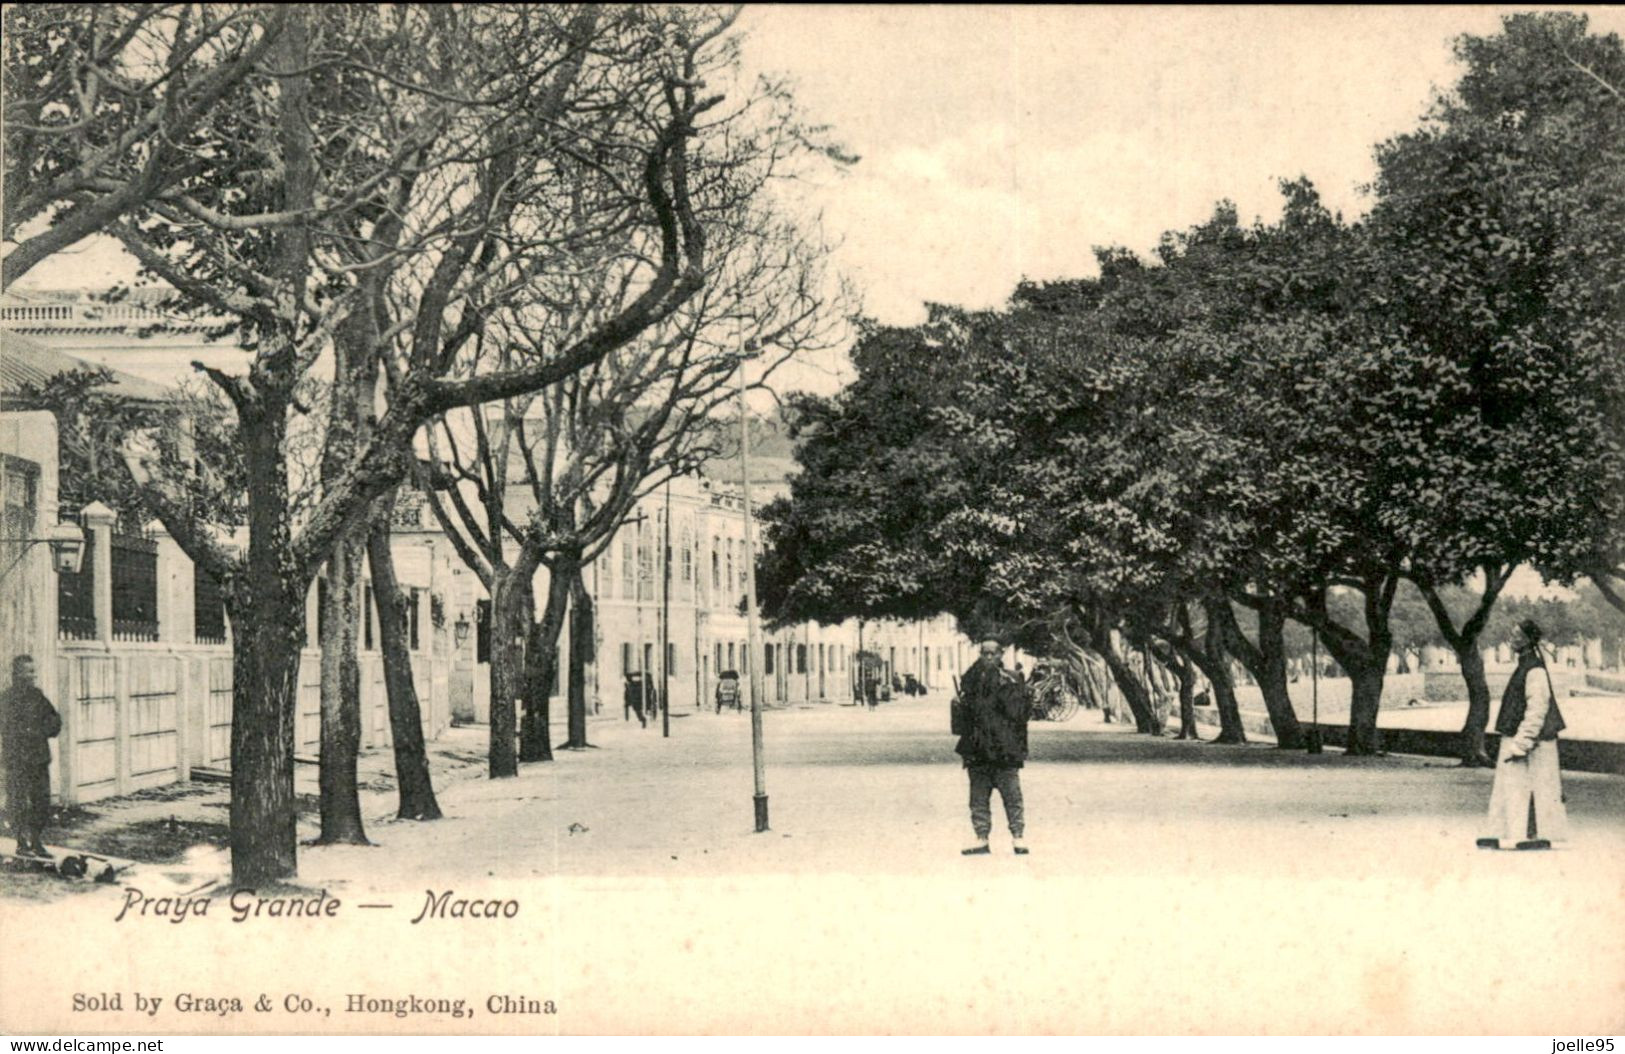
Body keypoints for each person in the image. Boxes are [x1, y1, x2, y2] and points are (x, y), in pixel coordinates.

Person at [1479, 620, 1569, 850]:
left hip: (1534, 742)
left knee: (1532, 786)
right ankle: (1503, 830)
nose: (1513, 638)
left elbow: (1538, 708)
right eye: (1512, 633)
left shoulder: (1535, 669)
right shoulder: (1524, 667)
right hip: (1518, 736)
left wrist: (1523, 742)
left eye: (1518, 635)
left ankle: (1534, 835)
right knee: (1511, 785)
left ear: (1529, 640)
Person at [953, 639, 1031, 856]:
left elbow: (1020, 716)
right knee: (978, 798)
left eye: (992, 654)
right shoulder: (973, 679)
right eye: (984, 654)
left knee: (1012, 796)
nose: (988, 658)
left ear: (1001, 655)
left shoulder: (1012, 680)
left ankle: (1018, 837)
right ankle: (981, 838)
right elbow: (965, 710)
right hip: (978, 750)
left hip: (1004, 750)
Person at [4, 655, 61, 859]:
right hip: (17, 760)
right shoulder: (6, 699)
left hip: (38, 759)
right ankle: (21, 842)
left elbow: (54, 719)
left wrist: (43, 730)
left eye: (34, 671)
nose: (33, 676)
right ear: (17, 674)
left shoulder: (38, 696)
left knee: (41, 801)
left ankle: (36, 841)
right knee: (17, 801)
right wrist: (25, 734)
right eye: (29, 672)